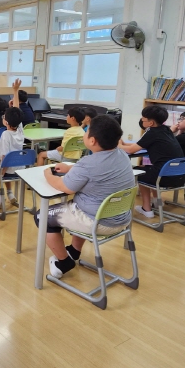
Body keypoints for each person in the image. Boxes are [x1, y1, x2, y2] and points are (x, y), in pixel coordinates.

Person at [37, 115, 136, 278]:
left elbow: (65, 187)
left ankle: (64, 262)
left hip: (98, 222)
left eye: (87, 130)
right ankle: (74, 252)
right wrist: (73, 169)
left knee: (42, 216)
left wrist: (48, 173)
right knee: (79, 204)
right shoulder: (122, 155)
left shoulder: (88, 163)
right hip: (121, 219)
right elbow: (97, 170)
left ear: (92, 141)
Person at [119, 105, 184, 219]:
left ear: (151, 123)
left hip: (164, 177)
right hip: (178, 176)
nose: (142, 120)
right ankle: (157, 203)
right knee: (146, 167)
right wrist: (123, 145)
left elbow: (131, 150)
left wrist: (117, 145)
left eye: (143, 119)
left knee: (139, 173)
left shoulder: (152, 133)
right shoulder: (165, 130)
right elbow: (138, 145)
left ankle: (146, 209)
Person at [0, 78, 25, 207]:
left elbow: (4, 158)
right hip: (20, 168)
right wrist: (15, 91)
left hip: (9, 171)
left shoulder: (5, 134)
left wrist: (0, 174)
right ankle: (10, 192)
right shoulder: (20, 129)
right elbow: (17, 110)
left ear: (6, 122)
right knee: (0, 160)